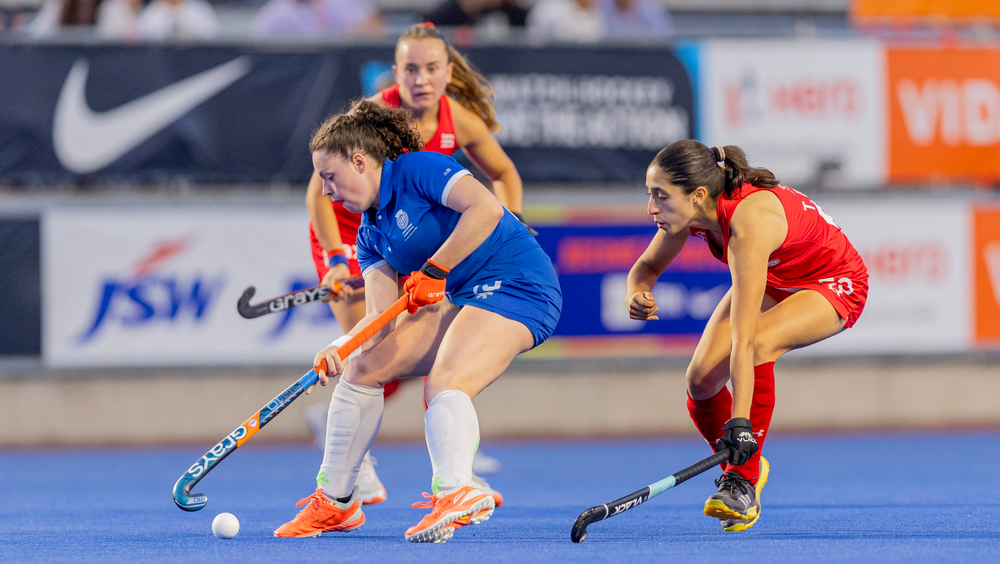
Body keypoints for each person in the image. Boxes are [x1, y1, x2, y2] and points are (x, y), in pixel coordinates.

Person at [275, 101, 561, 542]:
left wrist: (435, 269)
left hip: (521, 285)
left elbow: (485, 209)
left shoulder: (419, 169)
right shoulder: (370, 234)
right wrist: (340, 347)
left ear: (359, 162)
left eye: (330, 177)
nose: (327, 192)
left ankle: (457, 491)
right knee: (362, 369)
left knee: (445, 381)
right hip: (465, 296)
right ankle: (336, 502)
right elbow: (379, 320)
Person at [303, 21, 525, 505]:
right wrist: (337, 260)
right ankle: (354, 468)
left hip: (406, 233)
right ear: (395, 72)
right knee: (370, 347)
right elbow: (319, 194)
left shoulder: (457, 118)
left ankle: (454, 465)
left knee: (430, 348)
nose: (420, 79)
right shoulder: (371, 117)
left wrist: (503, 226)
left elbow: (504, 175)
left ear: (448, 73)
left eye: (430, 69)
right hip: (351, 232)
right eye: (409, 69)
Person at [626, 140, 868, 532]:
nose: (652, 207)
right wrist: (635, 293)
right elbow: (647, 268)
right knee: (700, 380)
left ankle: (742, 481)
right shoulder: (688, 214)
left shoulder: (748, 222)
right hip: (778, 275)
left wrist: (740, 421)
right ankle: (746, 466)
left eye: (660, 196)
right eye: (649, 194)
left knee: (758, 344)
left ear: (697, 195)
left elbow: (744, 340)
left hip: (833, 281)